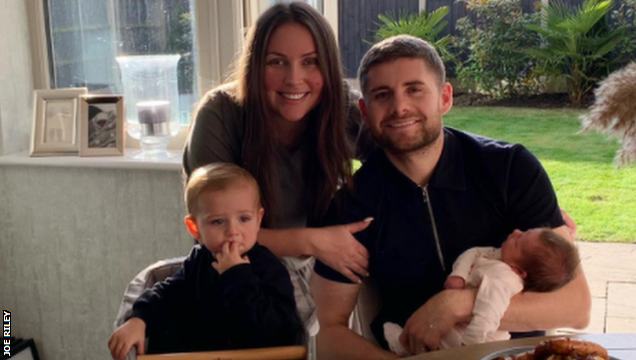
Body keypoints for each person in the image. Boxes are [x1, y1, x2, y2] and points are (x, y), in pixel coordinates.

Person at [312, 35, 591, 360]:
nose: (399, 106)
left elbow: (576, 305)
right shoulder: (352, 204)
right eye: (382, 95)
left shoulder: (510, 168)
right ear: (365, 109)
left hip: (518, 354)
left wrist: (458, 304)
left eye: (414, 89)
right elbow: (329, 331)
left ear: (445, 97)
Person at [183, 2, 375, 325]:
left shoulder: (340, 103)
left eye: (310, 62)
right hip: (237, 273)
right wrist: (314, 240)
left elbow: (397, 159)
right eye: (277, 62)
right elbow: (214, 234)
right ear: (255, 66)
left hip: (321, 268)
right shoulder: (219, 115)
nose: (294, 79)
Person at [107, 163, 303, 360]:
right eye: (218, 221)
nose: (233, 231)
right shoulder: (198, 261)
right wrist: (139, 319)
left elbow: (278, 329)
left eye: (244, 219)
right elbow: (168, 294)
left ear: (258, 220)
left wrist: (237, 276)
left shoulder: (270, 269)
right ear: (195, 228)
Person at [384, 228, 581, 355]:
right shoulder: (500, 257)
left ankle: (402, 348)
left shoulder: (503, 280)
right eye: (524, 232)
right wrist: (459, 275)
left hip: (479, 339)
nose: (515, 232)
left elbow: (488, 315)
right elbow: (474, 252)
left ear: (520, 271)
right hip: (462, 327)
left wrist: (471, 348)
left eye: (518, 241)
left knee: (443, 344)